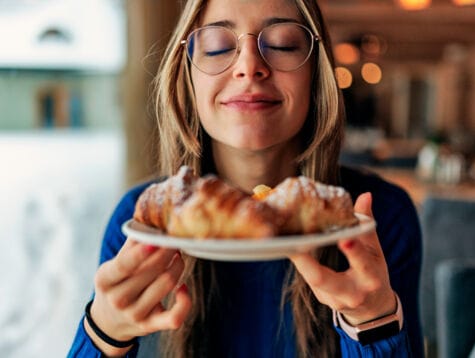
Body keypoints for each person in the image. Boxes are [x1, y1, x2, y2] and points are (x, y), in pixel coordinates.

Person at [68, 0, 423, 357]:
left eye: (283, 43)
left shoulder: (375, 219)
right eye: (217, 46)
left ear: (317, 70)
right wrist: (103, 333)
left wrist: (373, 323)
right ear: (187, 72)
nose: (249, 66)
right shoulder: (144, 222)